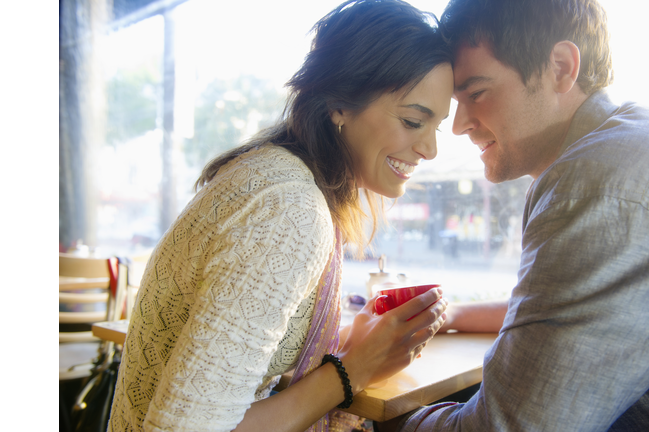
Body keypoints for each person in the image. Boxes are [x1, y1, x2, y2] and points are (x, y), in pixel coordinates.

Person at [107, 1, 453, 431]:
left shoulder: (272, 173)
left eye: (436, 127)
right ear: (340, 105)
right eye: (413, 120)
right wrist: (354, 370)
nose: (430, 149)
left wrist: (350, 342)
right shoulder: (289, 210)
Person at [379, 0, 649, 431]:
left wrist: (380, 422)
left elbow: (510, 428)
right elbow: (562, 307)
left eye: (476, 93)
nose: (458, 125)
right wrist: (450, 316)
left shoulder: (598, 181)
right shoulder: (635, 142)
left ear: (559, 67)